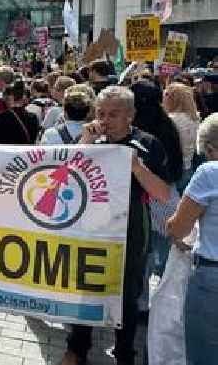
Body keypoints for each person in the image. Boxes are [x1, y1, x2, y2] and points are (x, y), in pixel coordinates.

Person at [60, 85, 171, 365]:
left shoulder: (148, 143)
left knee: (127, 297)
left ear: (130, 115)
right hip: (92, 228)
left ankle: (124, 355)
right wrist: (84, 142)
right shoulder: (91, 140)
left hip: (131, 229)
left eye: (113, 114)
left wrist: (136, 168)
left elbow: (163, 194)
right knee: (86, 290)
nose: (105, 120)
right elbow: (64, 180)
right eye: (100, 113)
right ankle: (77, 349)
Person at [167, 113, 218, 365]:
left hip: (212, 277)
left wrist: (171, 227)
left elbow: (178, 227)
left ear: (210, 148)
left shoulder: (210, 172)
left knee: (205, 356)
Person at [131, 80, 184, 277]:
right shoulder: (167, 124)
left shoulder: (139, 134)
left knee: (145, 255)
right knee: (163, 253)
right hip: (166, 194)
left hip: (147, 198)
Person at [163, 82, 201, 193]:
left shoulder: (170, 120)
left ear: (172, 99)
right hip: (189, 167)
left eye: (166, 95)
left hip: (174, 170)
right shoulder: (195, 119)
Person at [0, 81, 39, 145]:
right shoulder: (33, 117)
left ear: (9, 97)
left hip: (6, 153)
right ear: (23, 97)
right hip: (24, 153)